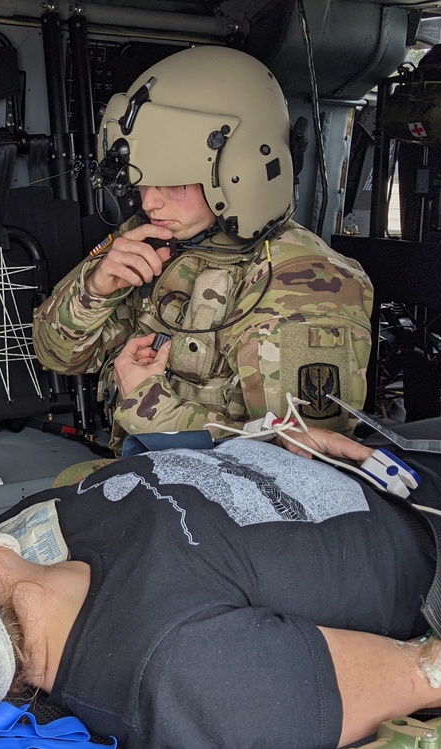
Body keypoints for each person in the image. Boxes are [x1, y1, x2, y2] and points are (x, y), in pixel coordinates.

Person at [0, 413, 441, 749]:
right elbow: (440, 673)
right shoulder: (187, 679)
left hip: (422, 453)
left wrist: (276, 446)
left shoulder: (37, 526)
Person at [34, 46, 374, 453]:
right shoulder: (154, 238)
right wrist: (96, 289)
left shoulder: (308, 285)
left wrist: (146, 402)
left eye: (173, 183)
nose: (149, 203)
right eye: (142, 183)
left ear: (242, 171)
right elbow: (57, 356)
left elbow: (296, 467)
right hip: (151, 474)